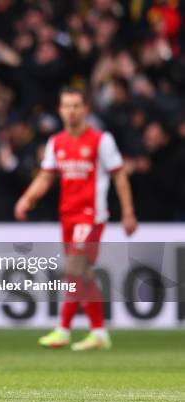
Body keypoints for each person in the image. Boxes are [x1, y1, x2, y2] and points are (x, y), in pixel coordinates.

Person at [15, 87, 137, 351]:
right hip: (68, 216)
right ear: (60, 110)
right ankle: (99, 332)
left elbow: (119, 175)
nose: (71, 111)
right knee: (82, 274)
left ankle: (63, 329)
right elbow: (46, 176)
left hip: (92, 216)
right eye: (67, 106)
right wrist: (27, 198)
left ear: (86, 110)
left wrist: (128, 212)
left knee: (73, 270)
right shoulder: (56, 142)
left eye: (76, 106)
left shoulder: (100, 140)